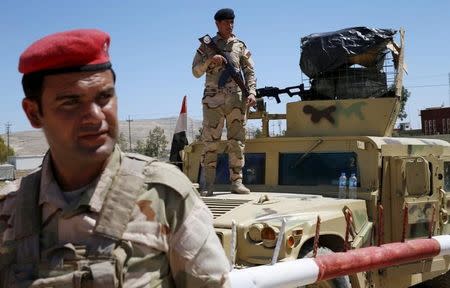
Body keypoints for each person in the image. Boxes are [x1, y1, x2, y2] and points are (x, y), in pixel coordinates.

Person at [0, 29, 230, 288]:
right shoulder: (8, 209)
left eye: (104, 97)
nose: (95, 115)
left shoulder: (166, 195)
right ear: (33, 113)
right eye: (70, 102)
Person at [192, 8, 257, 196]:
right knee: (210, 143)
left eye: (232, 22)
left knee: (237, 143)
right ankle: (208, 185)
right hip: (213, 101)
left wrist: (251, 92)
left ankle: (236, 182)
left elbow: (250, 71)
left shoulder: (240, 46)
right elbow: (195, 71)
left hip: (237, 100)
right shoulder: (207, 46)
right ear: (217, 24)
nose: (230, 25)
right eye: (226, 22)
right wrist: (210, 60)